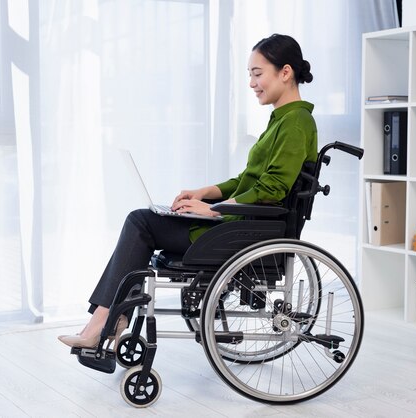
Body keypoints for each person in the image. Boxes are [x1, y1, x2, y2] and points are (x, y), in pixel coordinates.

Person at [58, 33, 318, 349]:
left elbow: (273, 189)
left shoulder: (296, 122)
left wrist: (214, 210)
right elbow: (247, 181)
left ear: (285, 72)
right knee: (143, 221)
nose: (252, 83)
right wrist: (204, 192)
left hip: (243, 232)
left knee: (141, 223)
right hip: (238, 224)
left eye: (257, 73)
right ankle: (106, 321)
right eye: (250, 75)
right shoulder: (283, 120)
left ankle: (104, 322)